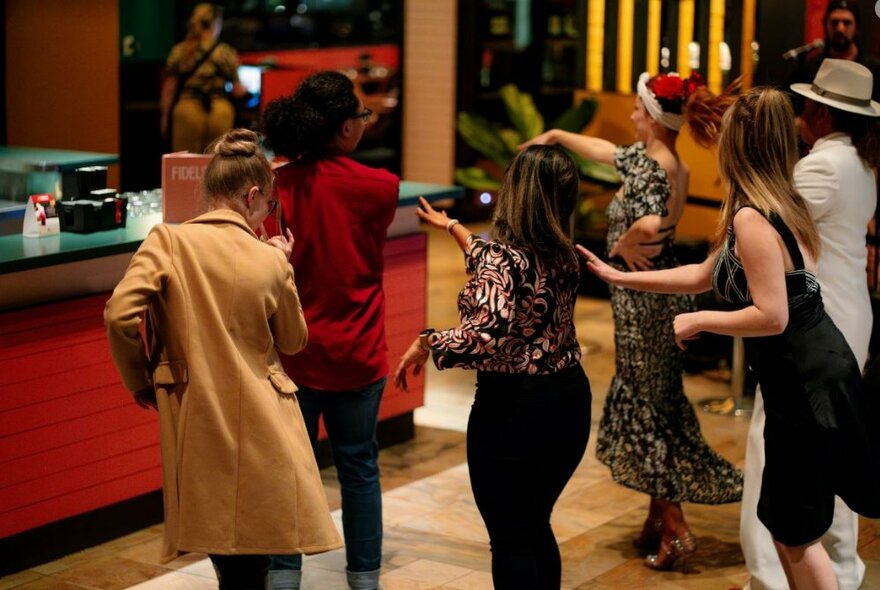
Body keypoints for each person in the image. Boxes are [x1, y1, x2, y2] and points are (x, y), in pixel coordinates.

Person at [580, 87, 880, 590]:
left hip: (805, 383)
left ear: (739, 147)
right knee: (786, 523)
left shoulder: (752, 216)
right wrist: (621, 278)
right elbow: (704, 273)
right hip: (809, 372)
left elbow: (772, 315)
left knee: (796, 527)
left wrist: (699, 322)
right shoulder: (774, 202)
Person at [519, 71, 741, 571]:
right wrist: (555, 136)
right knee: (655, 401)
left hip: (643, 308)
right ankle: (656, 519)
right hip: (654, 304)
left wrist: (623, 244)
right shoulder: (668, 162)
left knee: (646, 408)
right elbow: (605, 154)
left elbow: (648, 220)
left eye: (639, 109)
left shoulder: (648, 166)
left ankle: (676, 526)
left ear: (655, 118)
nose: (634, 116)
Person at [104, 129, 342, 589]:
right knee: (255, 547)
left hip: (198, 411)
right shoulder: (269, 259)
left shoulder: (167, 242)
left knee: (227, 548)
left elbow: (119, 315)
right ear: (253, 195)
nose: (268, 215)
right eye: (270, 206)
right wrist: (283, 267)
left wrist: (142, 378)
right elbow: (293, 342)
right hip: (266, 418)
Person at [394, 145, 593, 590]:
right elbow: (498, 267)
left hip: (516, 411)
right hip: (569, 401)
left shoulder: (501, 259)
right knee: (534, 523)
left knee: (511, 537)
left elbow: (483, 336)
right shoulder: (565, 254)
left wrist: (427, 341)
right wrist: (454, 228)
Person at [740, 60, 880, 590]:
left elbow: (768, 216)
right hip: (850, 314)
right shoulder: (858, 160)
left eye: (807, 105)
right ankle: (839, 570)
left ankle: (775, 576)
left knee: (774, 448)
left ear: (820, 111)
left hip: (820, 324)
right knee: (830, 452)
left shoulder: (824, 167)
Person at [260, 71, 399, 590]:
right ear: (344, 128)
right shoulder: (381, 188)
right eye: (362, 116)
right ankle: (364, 580)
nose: (365, 123)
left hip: (294, 354)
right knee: (359, 467)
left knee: (288, 473)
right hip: (358, 351)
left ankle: (283, 577)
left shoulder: (276, 186)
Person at [160, 3, 246, 153]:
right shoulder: (225, 52)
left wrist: (165, 117)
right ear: (216, 24)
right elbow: (237, 91)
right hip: (220, 110)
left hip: (187, 111)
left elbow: (169, 90)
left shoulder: (180, 51)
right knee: (216, 166)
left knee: (184, 168)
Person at [787, 0, 880, 104]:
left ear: (857, 28)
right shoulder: (810, 69)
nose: (840, 28)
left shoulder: (874, 70)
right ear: (825, 25)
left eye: (847, 23)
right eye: (834, 22)